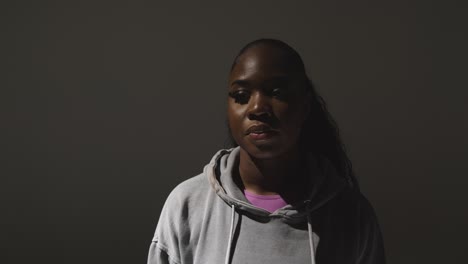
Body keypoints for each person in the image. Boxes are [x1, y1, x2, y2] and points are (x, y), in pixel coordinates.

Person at [147, 39, 385, 264]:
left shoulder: (351, 214)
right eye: (241, 96)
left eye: (277, 92)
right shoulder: (187, 205)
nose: (258, 108)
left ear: (305, 104)